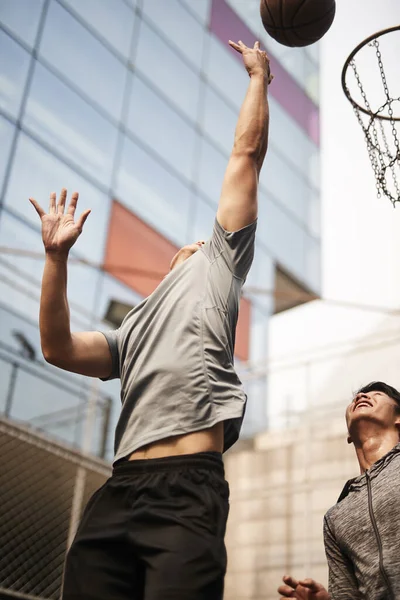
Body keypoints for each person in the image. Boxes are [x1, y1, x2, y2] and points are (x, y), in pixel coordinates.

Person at [30, 40, 273, 600]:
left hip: (188, 489)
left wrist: (258, 76)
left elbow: (245, 156)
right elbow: (58, 348)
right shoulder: (132, 328)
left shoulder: (219, 266)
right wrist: (55, 260)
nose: (197, 240)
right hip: (119, 488)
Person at [278, 381, 400, 600]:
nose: (362, 396)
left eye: (377, 394)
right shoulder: (336, 517)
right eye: (357, 396)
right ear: (348, 435)